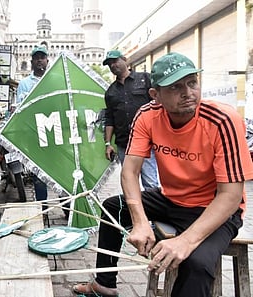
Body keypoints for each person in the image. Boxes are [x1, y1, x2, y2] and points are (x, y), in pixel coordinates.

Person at [72, 52, 253, 297]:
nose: (188, 92)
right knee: (112, 208)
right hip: (171, 198)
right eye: (175, 87)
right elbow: (130, 170)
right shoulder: (147, 115)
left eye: (192, 83)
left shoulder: (222, 120)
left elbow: (230, 196)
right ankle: (104, 285)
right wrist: (139, 221)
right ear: (155, 95)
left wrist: (185, 241)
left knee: (196, 264)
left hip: (214, 207)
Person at [102, 50, 159, 190]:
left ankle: (153, 211)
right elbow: (109, 118)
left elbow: (159, 104)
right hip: (124, 144)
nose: (112, 65)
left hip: (146, 141)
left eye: (115, 61)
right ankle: (134, 210)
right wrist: (108, 143)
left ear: (124, 60)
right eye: (109, 64)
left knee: (151, 183)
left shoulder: (145, 79)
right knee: (129, 183)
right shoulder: (110, 92)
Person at [16, 44, 50, 208]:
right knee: (39, 173)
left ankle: (66, 209)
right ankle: (42, 207)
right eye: (36, 58)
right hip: (34, 133)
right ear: (31, 61)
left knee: (61, 170)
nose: (39, 60)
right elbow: (19, 109)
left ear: (47, 60)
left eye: (42, 57)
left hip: (54, 131)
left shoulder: (54, 79)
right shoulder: (24, 83)